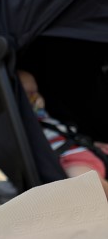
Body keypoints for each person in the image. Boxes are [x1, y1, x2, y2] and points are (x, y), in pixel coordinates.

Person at [18, 69, 108, 198]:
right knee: (87, 182)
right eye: (28, 94)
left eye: (35, 92)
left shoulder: (46, 117)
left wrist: (92, 145)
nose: (34, 98)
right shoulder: (24, 125)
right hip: (74, 161)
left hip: (86, 148)